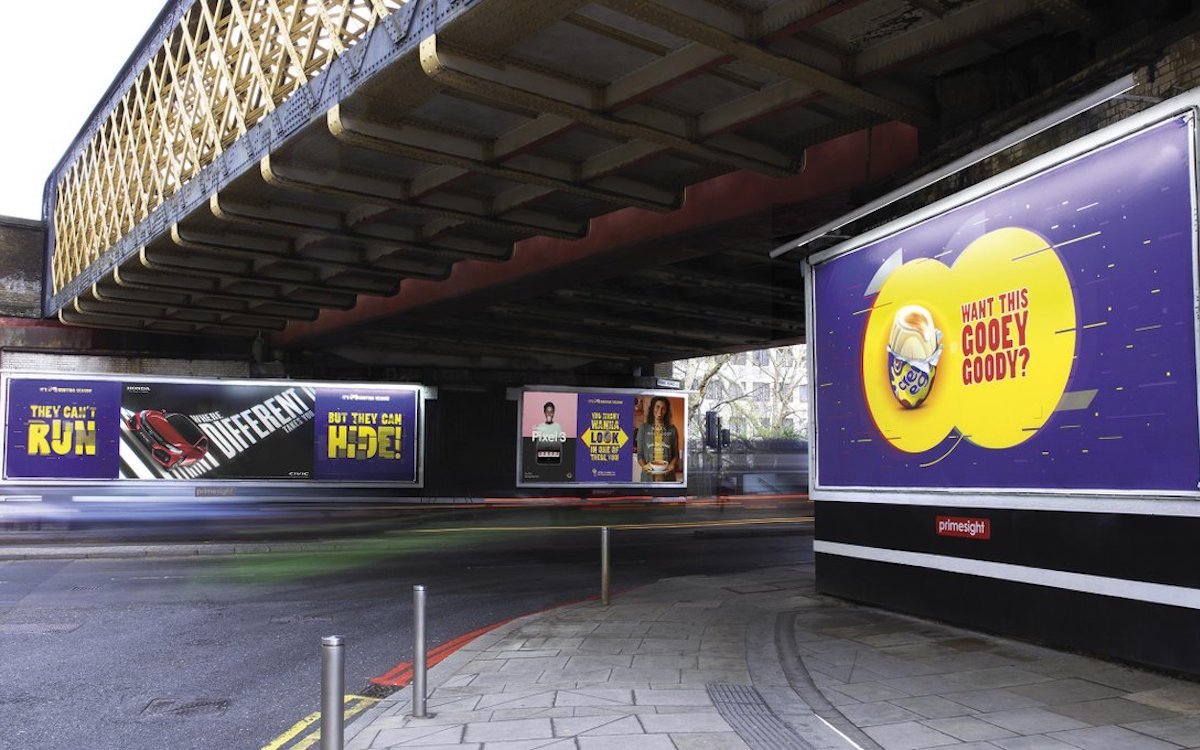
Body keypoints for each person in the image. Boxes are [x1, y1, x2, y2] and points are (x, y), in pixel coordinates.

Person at [637, 396, 679, 482]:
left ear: (666, 411)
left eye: (663, 408)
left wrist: (672, 465)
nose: (660, 411)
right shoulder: (643, 428)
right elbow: (640, 454)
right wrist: (644, 466)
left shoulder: (672, 429)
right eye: (657, 407)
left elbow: (675, 454)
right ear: (652, 408)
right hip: (648, 479)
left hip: (668, 478)